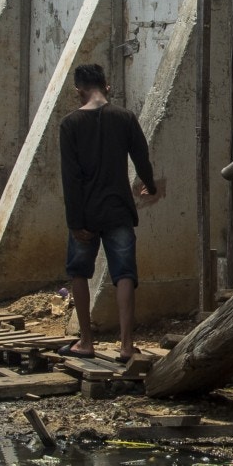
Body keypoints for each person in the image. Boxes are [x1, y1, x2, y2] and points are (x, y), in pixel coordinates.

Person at [59, 63, 163, 363]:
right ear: (107, 86)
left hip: (86, 211)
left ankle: (86, 341)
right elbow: (142, 158)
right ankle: (127, 345)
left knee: (79, 272)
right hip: (118, 208)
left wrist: (75, 222)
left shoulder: (70, 124)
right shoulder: (125, 117)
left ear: (78, 91)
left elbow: (71, 176)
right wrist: (149, 185)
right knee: (125, 274)